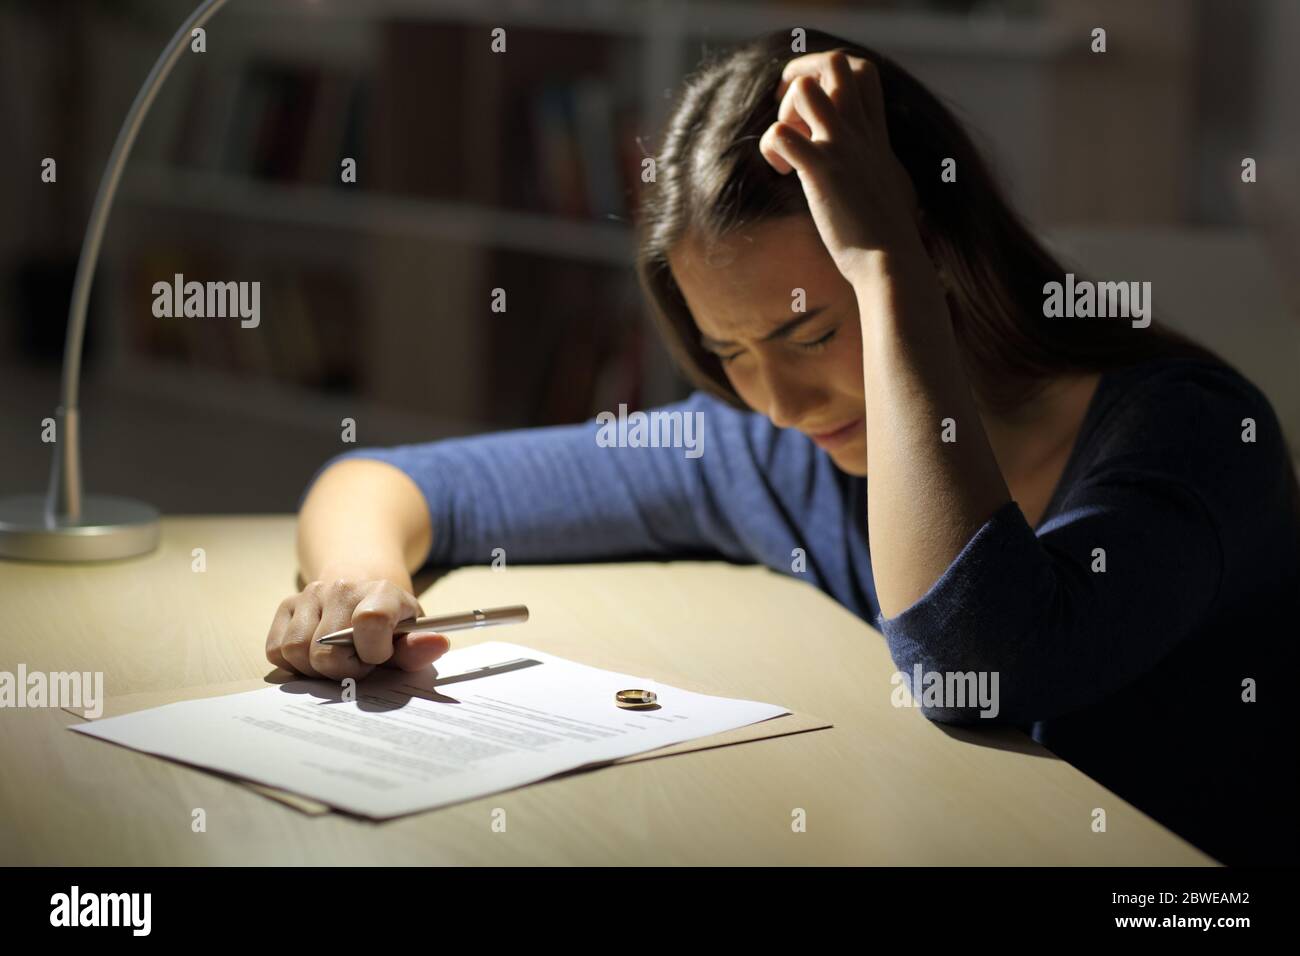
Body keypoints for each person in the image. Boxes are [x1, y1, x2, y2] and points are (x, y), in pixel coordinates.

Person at [265, 30, 1300, 866]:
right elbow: (399, 479)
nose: (782, 398)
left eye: (812, 330)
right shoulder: (780, 451)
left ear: (942, 258)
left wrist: (885, 261)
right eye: (729, 351)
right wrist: (359, 582)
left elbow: (980, 661)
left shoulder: (1194, 433)